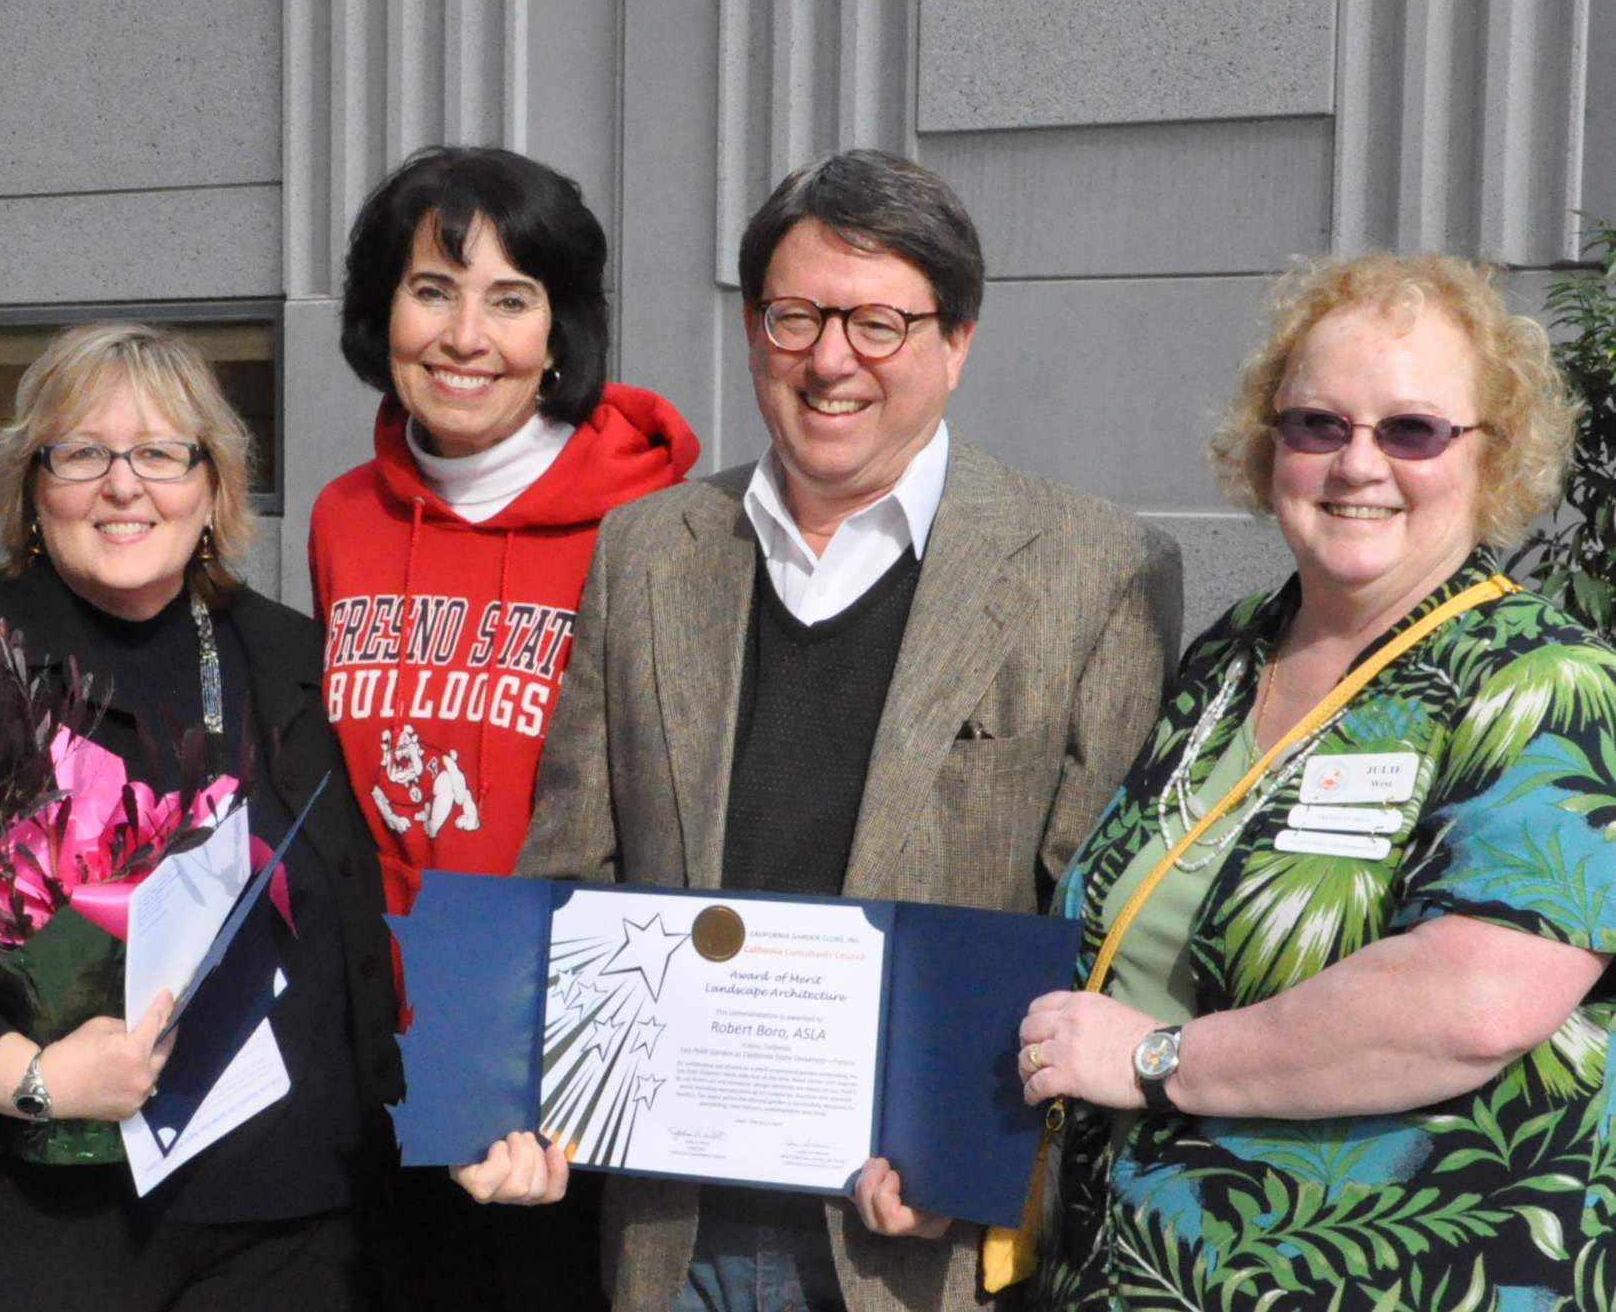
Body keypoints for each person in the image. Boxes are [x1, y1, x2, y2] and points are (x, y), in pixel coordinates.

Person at [458, 148, 1183, 1312]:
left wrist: (984, 1159)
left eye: (879, 323)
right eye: (795, 317)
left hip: (917, 1239)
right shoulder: (647, 550)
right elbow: (570, 863)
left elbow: (1097, 927)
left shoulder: (1096, 570)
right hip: (671, 1225)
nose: (831, 359)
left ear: (957, 341)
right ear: (755, 330)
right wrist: (511, 1096)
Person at [1017, 255, 1614, 1310]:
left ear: (1491, 454)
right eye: (1318, 425)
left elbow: (1473, 1003)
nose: (1358, 464)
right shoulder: (1232, 652)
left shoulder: (1546, 680)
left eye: (1413, 430)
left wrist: (1158, 1060)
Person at [0, 322, 404, 1312]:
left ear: (212, 485)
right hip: (25, 1244)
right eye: (83, 453)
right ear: (33, 489)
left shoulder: (297, 660)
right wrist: (34, 1078)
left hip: (282, 1237)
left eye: (161, 453)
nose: (124, 485)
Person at [311, 146, 697, 1311]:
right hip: (371, 1063)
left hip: (561, 1093)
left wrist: (565, 1078)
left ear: (561, 332)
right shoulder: (342, 518)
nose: (465, 336)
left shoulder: (653, 529)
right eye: (432, 290)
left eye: (511, 299)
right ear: (381, 313)